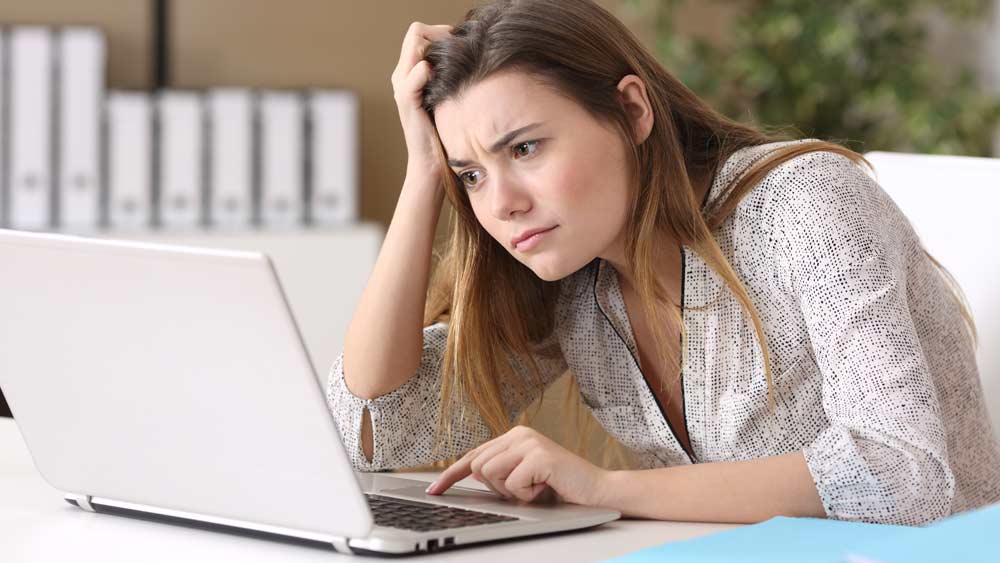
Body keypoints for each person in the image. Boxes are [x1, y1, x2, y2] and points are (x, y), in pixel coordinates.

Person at [327, 0, 1000, 526]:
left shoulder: (803, 203)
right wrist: (422, 175)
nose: (500, 203)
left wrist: (609, 488)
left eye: (526, 149)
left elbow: (906, 473)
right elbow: (376, 429)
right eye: (471, 175)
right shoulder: (577, 284)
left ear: (631, 109)